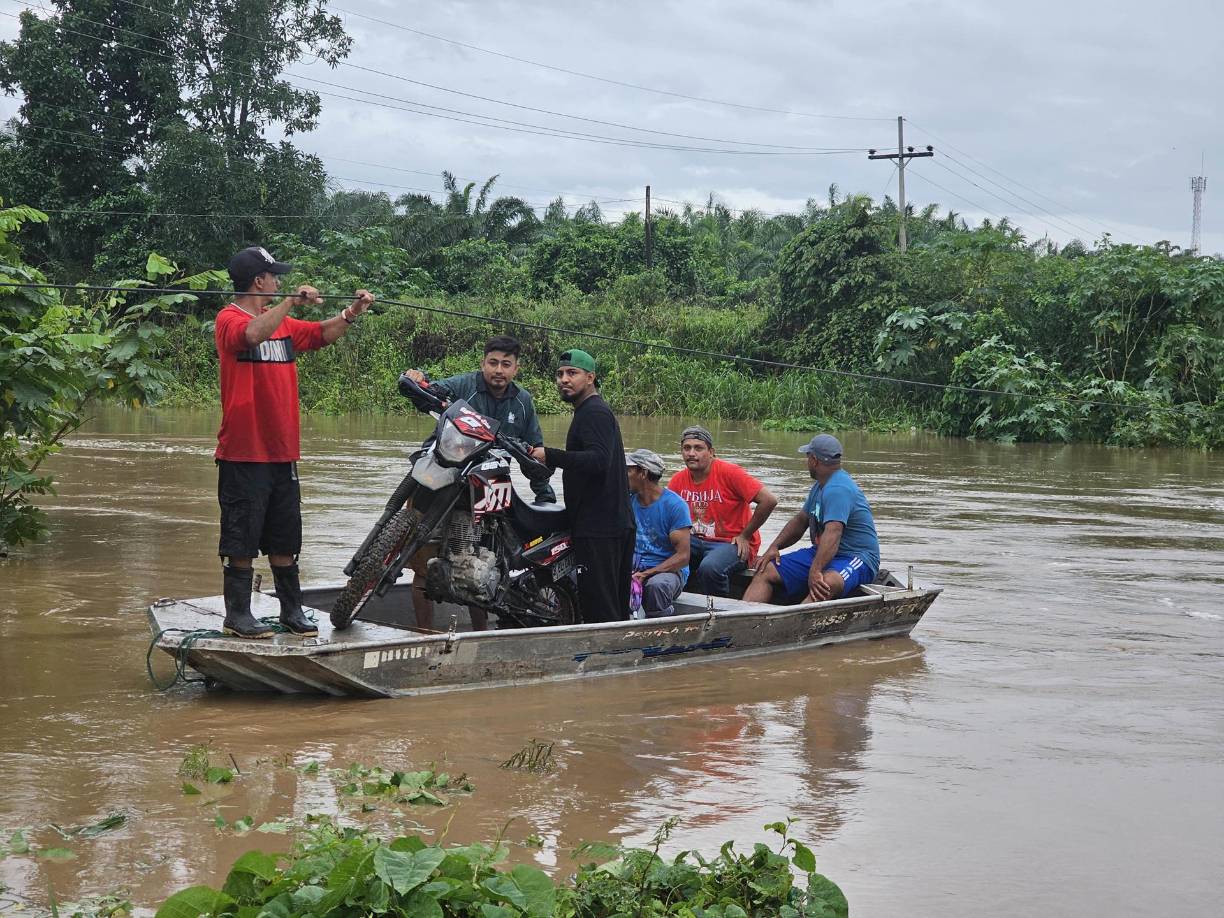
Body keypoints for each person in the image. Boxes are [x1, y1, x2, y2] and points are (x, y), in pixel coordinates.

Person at [215, 245, 374, 638]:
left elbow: (320, 334)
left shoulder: (283, 324)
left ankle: (291, 612)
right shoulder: (228, 319)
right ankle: (238, 616)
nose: (279, 281)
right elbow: (251, 335)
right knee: (241, 540)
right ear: (259, 281)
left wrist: (351, 313)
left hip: (282, 453)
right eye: (274, 276)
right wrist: (289, 302)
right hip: (243, 453)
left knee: (286, 537)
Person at [402, 335, 555, 631]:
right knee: (422, 565)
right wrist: (419, 378)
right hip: (441, 478)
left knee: (480, 566)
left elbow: (534, 453)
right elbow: (433, 389)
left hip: (486, 491)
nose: (498, 370)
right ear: (483, 363)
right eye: (493, 363)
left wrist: (544, 498)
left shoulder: (523, 402)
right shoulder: (465, 386)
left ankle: (480, 633)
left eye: (506, 364)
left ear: (516, 368)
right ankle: (424, 634)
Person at [529, 349, 635, 623]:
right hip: (608, 523)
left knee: (601, 608)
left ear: (590, 378)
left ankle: (607, 649)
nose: (564, 379)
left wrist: (550, 455)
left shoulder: (594, 412)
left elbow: (599, 460)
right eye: (560, 374)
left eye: (572, 373)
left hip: (600, 526)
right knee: (612, 605)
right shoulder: (590, 410)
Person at [744, 434, 880, 605]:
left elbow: (834, 532)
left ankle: (793, 621)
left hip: (856, 556)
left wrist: (815, 571)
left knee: (825, 583)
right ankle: (746, 617)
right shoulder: (820, 486)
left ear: (814, 460)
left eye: (807, 457)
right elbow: (800, 521)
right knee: (765, 570)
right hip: (823, 551)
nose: (806, 462)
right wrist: (775, 547)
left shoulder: (838, 489)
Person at [667, 425, 777, 597]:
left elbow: (769, 500)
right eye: (686, 448)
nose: (691, 453)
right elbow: (667, 514)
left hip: (732, 543)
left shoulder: (730, 473)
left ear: (711, 452)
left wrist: (745, 535)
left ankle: (717, 608)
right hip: (695, 540)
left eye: (698, 448)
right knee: (660, 552)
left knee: (710, 568)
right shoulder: (677, 480)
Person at [626, 448, 692, 618]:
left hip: (666, 572)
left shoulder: (675, 506)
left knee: (656, 587)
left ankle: (660, 630)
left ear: (643, 473)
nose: (624, 475)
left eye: (629, 470)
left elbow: (683, 557)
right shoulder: (628, 501)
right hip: (634, 567)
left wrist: (646, 574)